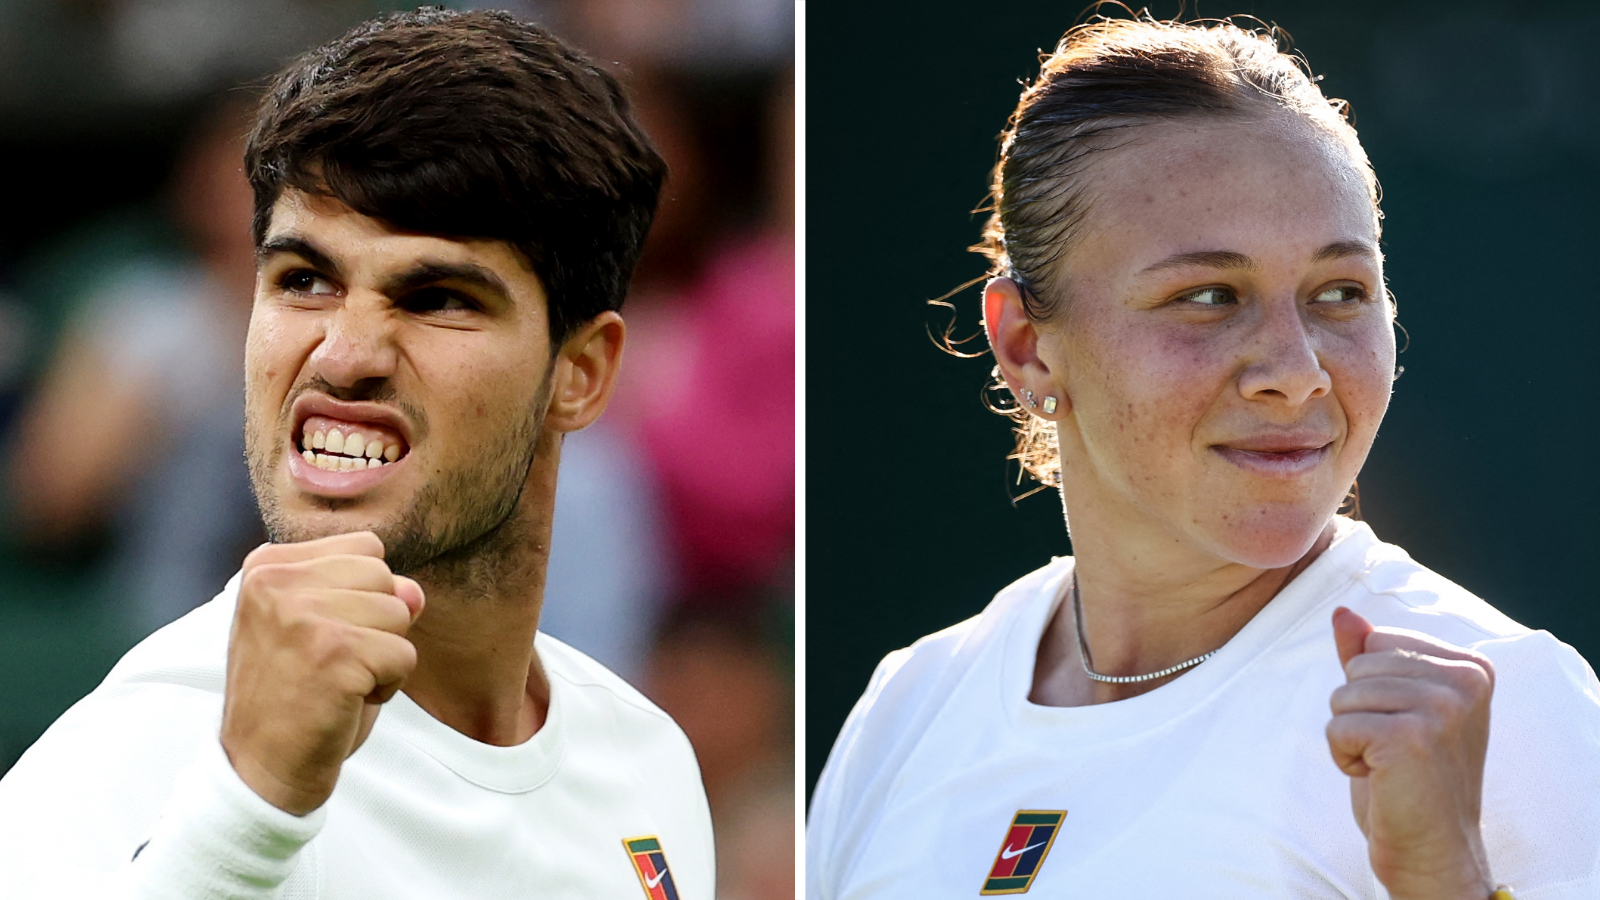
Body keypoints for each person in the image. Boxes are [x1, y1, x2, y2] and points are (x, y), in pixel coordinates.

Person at [807, 15, 1600, 900]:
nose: (1297, 374)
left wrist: (1442, 880)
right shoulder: (909, 708)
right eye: (1210, 296)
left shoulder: (1511, 705)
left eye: (1340, 293)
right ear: (1028, 345)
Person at [0, 9, 713, 899]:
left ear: (580, 372)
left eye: (438, 297)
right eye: (303, 280)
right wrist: (248, 814)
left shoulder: (648, 764)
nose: (343, 354)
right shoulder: (122, 764)